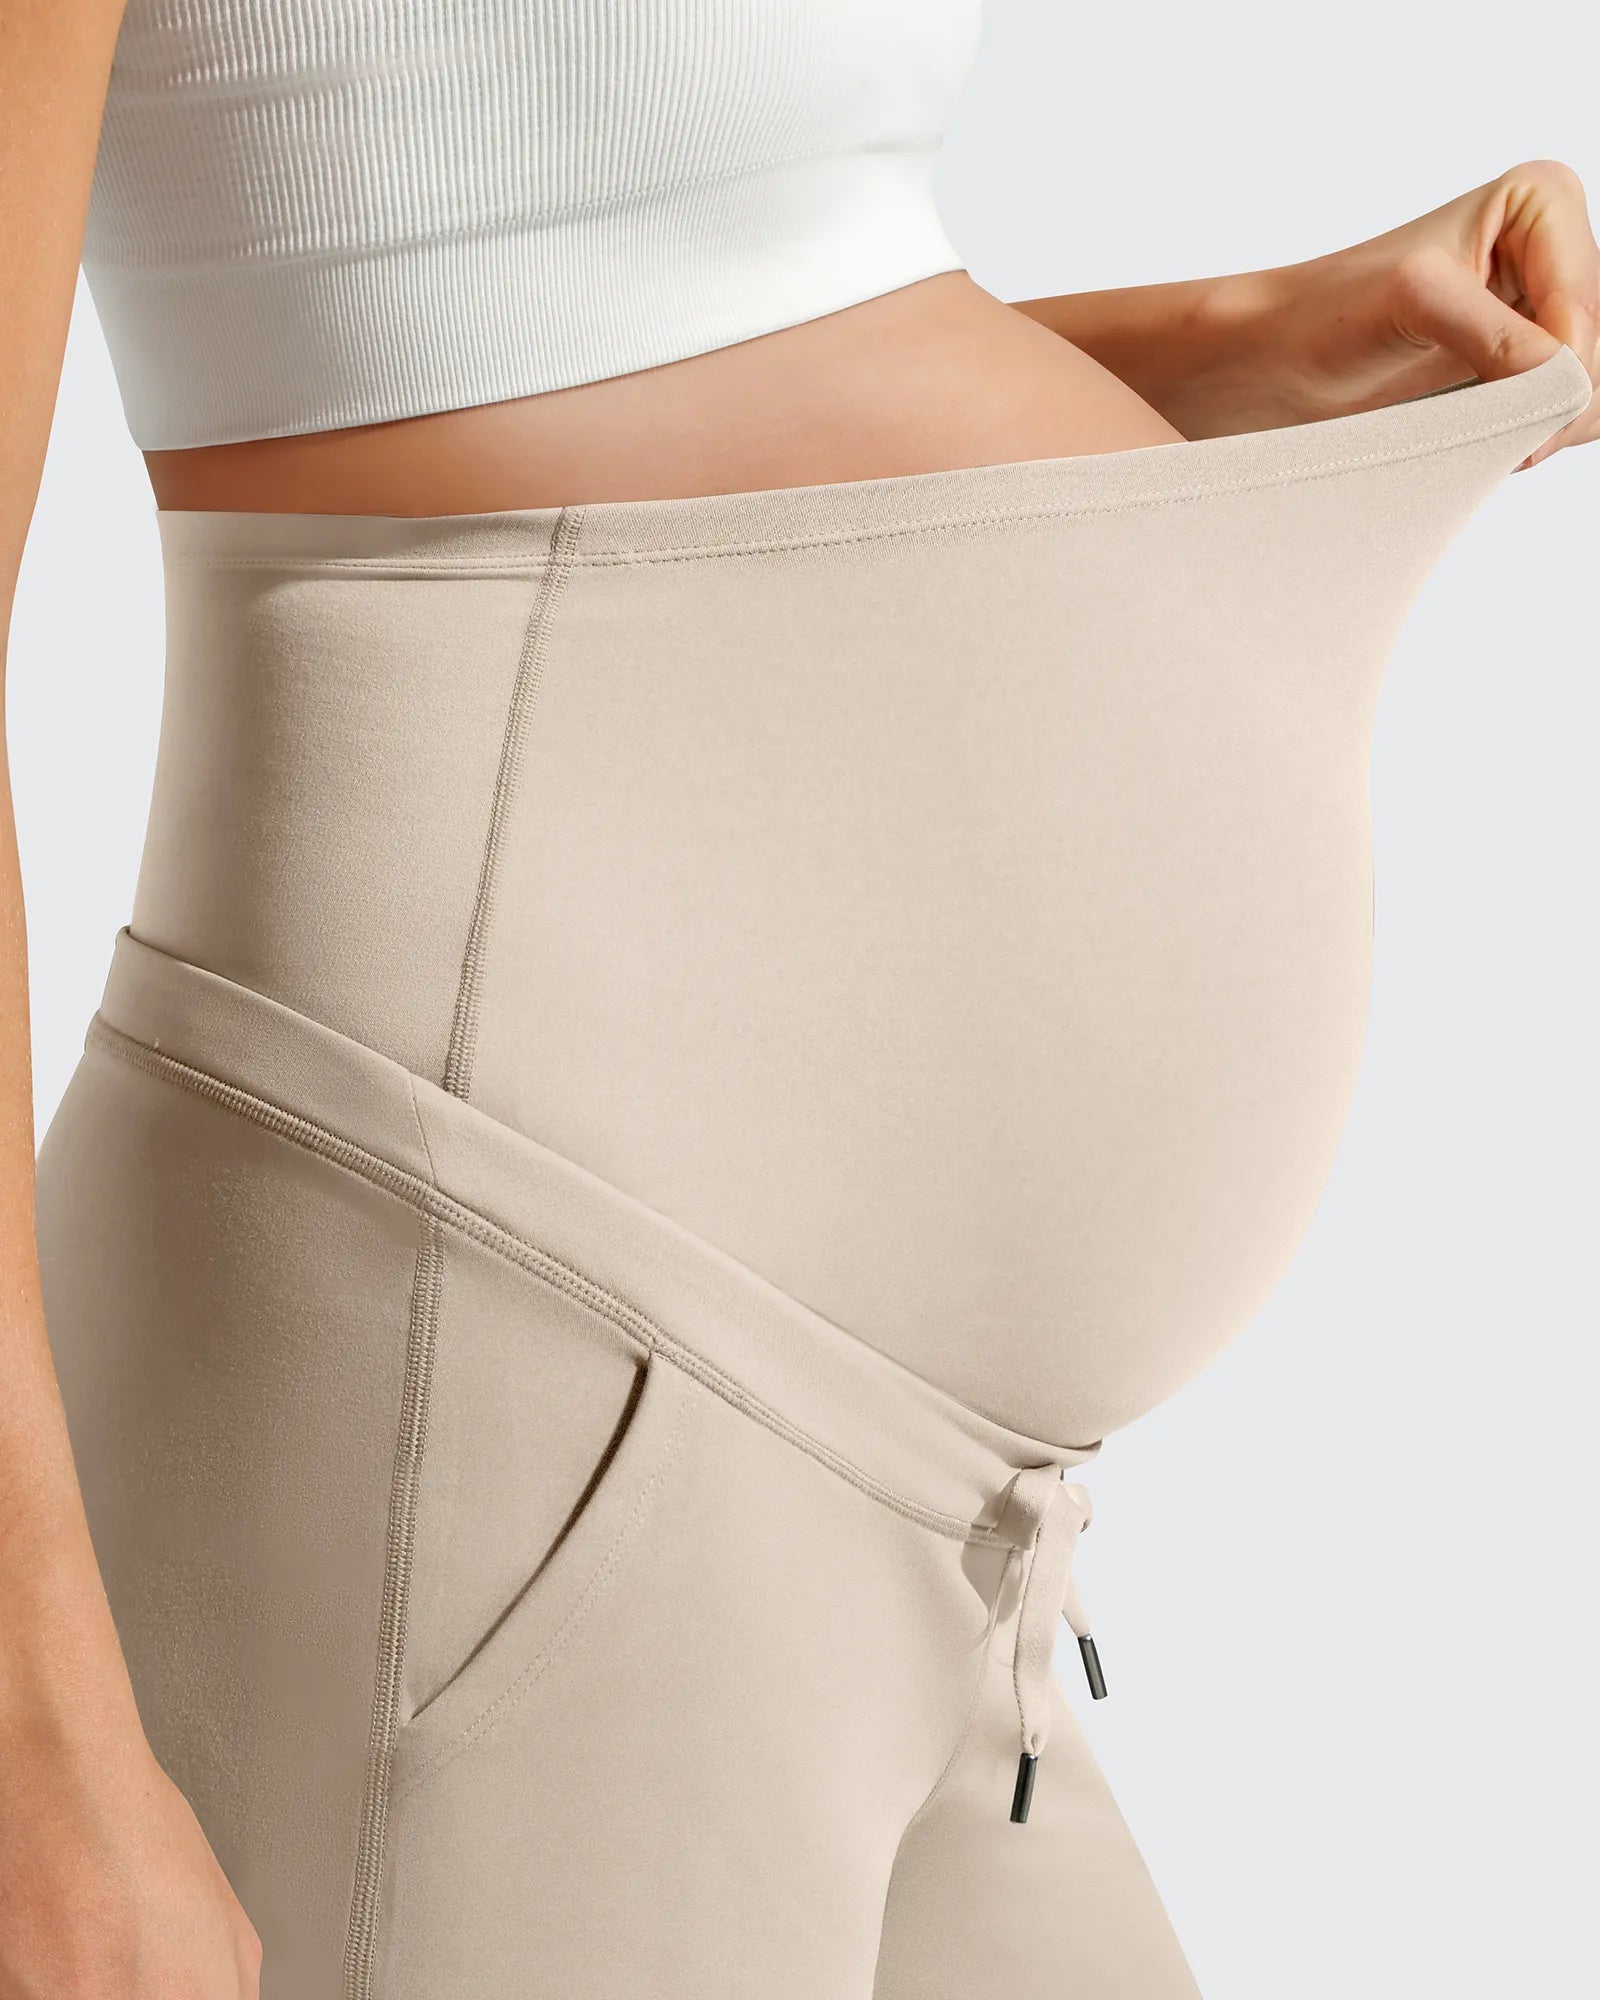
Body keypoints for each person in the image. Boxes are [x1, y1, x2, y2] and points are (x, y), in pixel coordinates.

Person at [1, 5, 1594, 1996]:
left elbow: (609, 311)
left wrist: (1231, 336)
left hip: (941, 1535)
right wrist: (34, 1768)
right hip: (511, 1344)